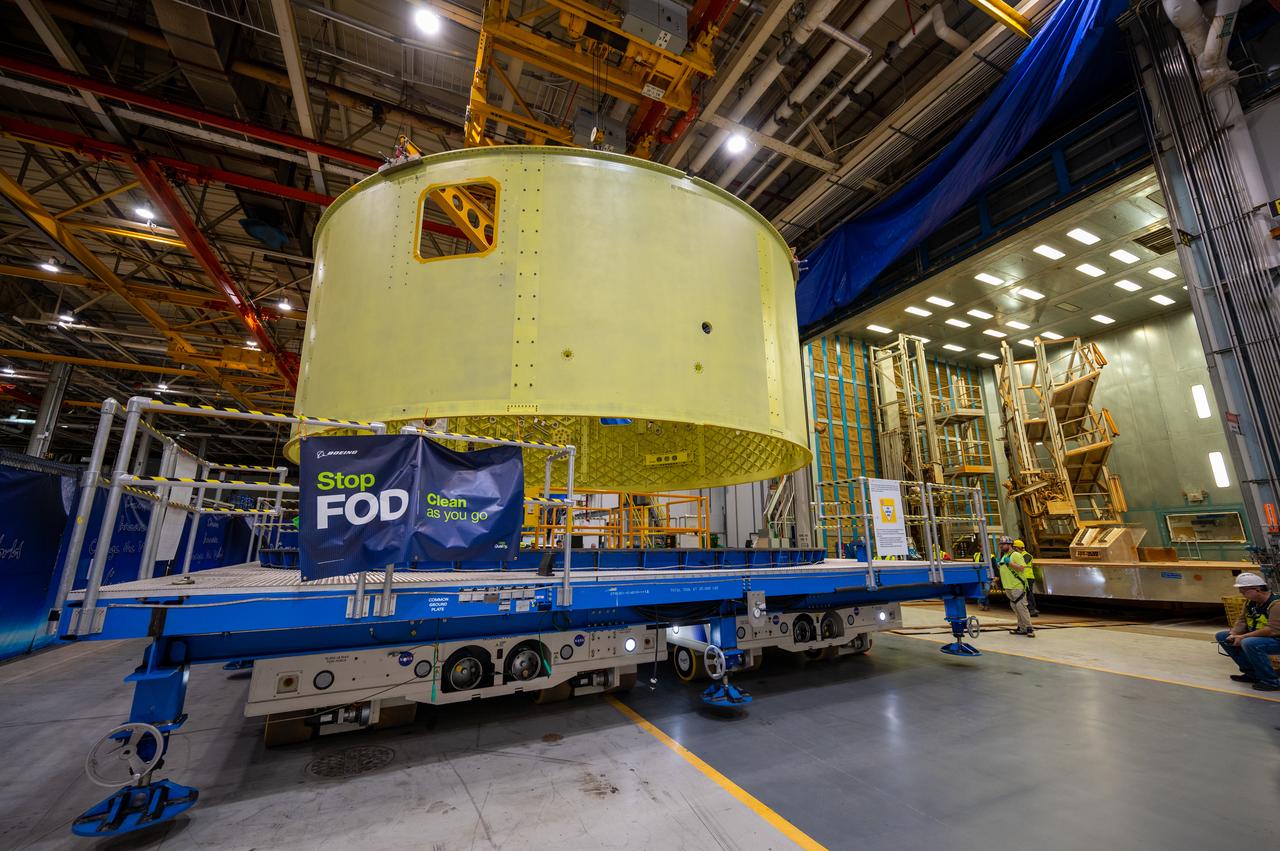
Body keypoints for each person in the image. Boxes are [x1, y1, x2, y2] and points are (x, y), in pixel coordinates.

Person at [1216, 572, 1280, 691]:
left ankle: (1272, 681)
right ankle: (1252, 674)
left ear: (1257, 589)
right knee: (1222, 636)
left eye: (1244, 590)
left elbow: (1272, 630)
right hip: (1259, 637)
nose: (1241, 593)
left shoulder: (1276, 604)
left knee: (1250, 643)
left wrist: (1243, 637)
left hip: (1275, 638)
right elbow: (1242, 621)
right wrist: (1233, 634)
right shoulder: (1250, 603)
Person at [997, 535, 1034, 636]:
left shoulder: (1016, 555)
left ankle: (1029, 628)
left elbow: (1021, 568)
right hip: (1008, 586)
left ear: (1009, 545)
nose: (1001, 546)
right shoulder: (1004, 556)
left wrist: (1009, 563)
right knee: (1016, 608)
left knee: (1021, 608)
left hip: (1017, 586)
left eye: (1003, 544)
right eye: (1000, 544)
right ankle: (1022, 627)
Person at [1014, 539, 1040, 616]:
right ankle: (1028, 609)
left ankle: (1032, 609)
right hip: (1023, 578)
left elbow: (1021, 564)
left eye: (1014, 548)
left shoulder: (1027, 555)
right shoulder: (1020, 555)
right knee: (1024, 594)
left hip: (1028, 578)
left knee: (1028, 593)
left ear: (1017, 548)